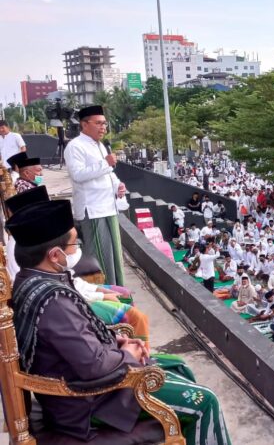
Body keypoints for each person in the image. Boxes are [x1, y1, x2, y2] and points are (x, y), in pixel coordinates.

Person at [8, 200, 230, 444]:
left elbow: (75, 340)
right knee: (205, 401)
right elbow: (94, 366)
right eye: (73, 243)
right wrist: (128, 354)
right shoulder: (54, 302)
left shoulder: (31, 280)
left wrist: (114, 339)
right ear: (54, 255)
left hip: (89, 385)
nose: (76, 249)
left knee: (177, 365)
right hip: (92, 402)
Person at [64, 105, 127, 286]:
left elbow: (108, 174)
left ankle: (118, 290)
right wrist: (105, 163)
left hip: (108, 207)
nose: (103, 128)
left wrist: (118, 186)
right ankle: (105, 294)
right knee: (100, 257)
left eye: (104, 124)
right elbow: (78, 175)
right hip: (92, 210)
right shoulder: (75, 146)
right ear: (84, 124)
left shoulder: (99, 145)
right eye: (98, 123)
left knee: (114, 255)